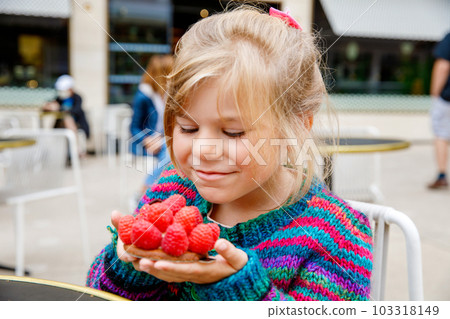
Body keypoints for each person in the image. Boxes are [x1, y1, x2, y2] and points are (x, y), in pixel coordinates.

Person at [86, 6, 373, 301]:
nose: (204, 151)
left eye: (233, 133)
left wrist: (239, 289)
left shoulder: (338, 236)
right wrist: (131, 263)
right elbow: (97, 297)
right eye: (188, 128)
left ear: (298, 126)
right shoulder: (172, 189)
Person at [129, 55, 174, 192]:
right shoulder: (143, 96)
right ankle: (146, 190)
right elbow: (134, 127)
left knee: (173, 149)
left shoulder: (170, 95)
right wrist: (147, 140)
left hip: (164, 140)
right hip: (145, 143)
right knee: (171, 153)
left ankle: (153, 191)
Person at [43, 75, 90, 152]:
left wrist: (59, 109)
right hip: (61, 125)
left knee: (67, 118)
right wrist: (49, 107)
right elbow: (48, 105)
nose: (62, 92)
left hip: (77, 125)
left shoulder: (77, 98)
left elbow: (76, 110)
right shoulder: (59, 99)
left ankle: (75, 148)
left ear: (70, 89)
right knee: (65, 119)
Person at [428, 32, 450, 189]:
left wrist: (435, 92)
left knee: (441, 135)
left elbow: (443, 65)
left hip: (447, 99)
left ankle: (442, 175)